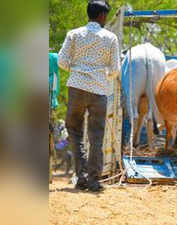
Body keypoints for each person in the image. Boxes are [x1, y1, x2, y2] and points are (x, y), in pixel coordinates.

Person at [58, 0, 120, 192]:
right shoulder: (110, 38)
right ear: (102, 16)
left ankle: (81, 176)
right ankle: (93, 180)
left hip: (76, 87)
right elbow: (115, 69)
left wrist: (76, 70)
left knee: (74, 131)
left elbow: (61, 61)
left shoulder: (74, 34)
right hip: (98, 91)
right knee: (96, 136)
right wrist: (101, 75)